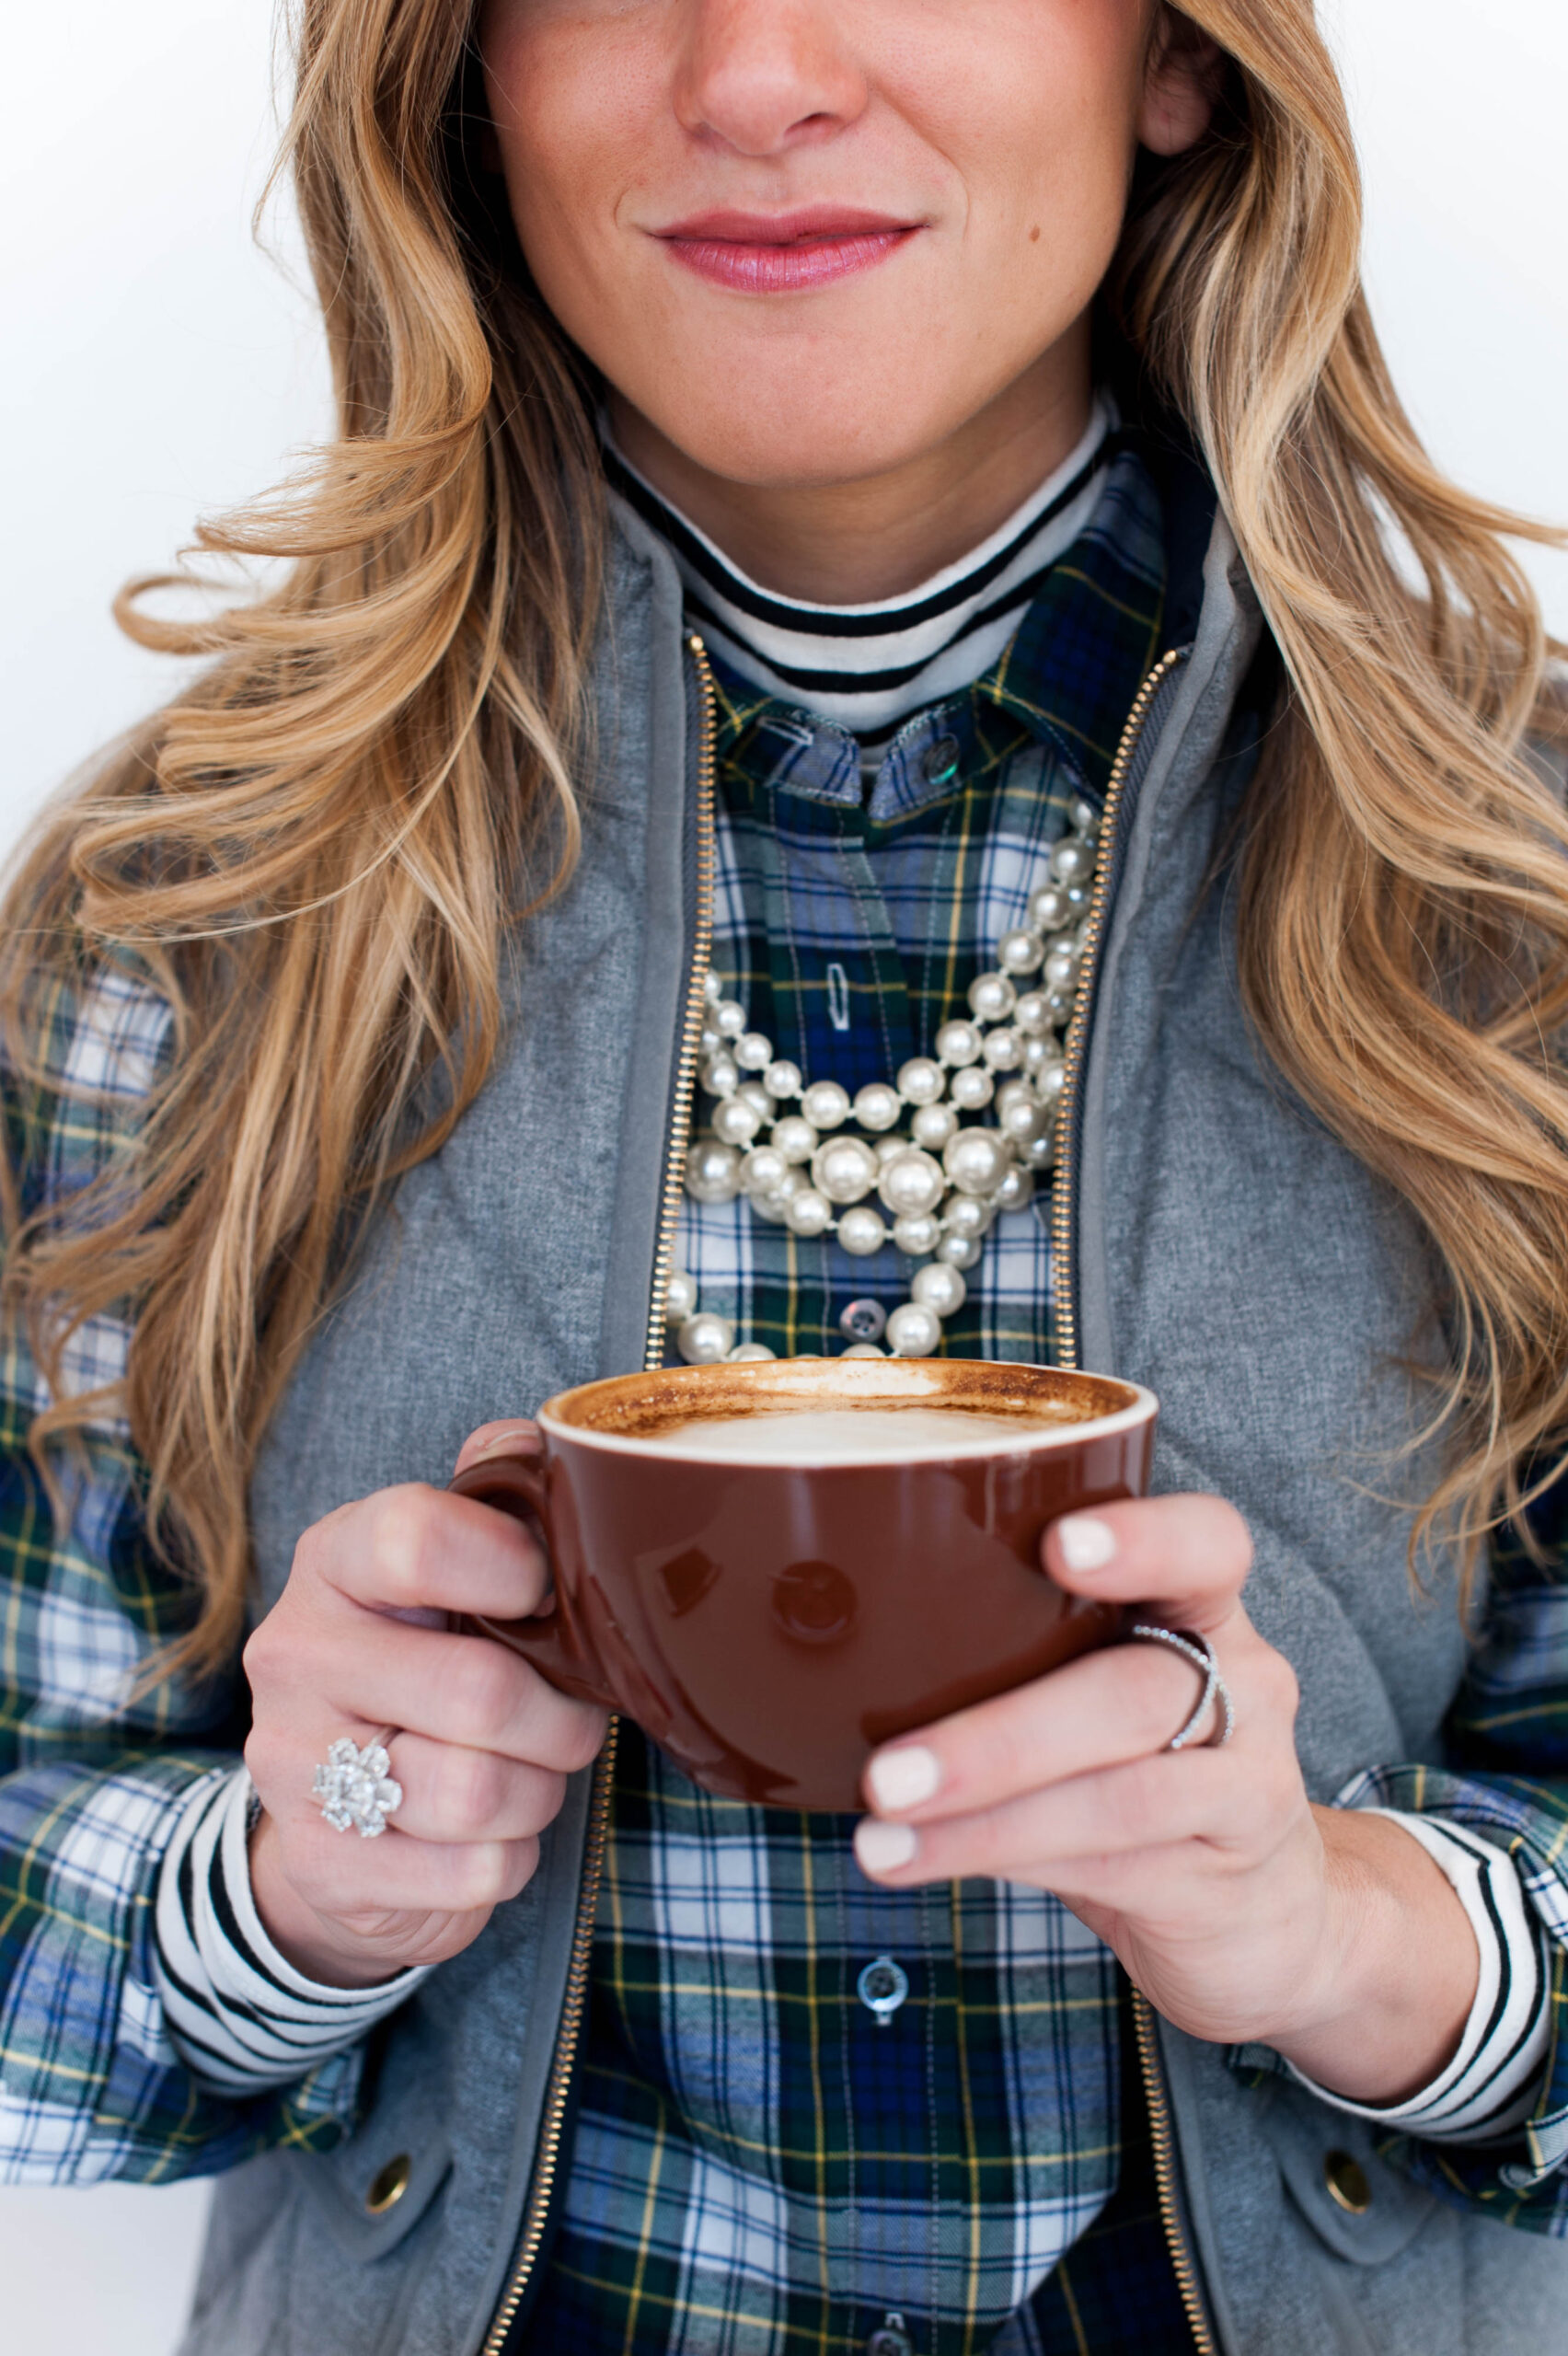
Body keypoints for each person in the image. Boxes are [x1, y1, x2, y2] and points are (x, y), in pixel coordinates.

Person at [3, 0, 1567, 2349]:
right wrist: (276, 1892)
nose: (756, 76)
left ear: (1174, 57)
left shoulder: (1520, 898)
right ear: (460, 84)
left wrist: (1354, 1934)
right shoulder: (184, 917)